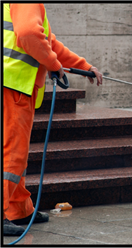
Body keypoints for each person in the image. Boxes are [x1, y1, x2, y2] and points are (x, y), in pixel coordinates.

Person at [3, 3, 103, 236]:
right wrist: (53, 64)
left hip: (12, 85)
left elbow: (48, 42)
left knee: (15, 154)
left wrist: (84, 66)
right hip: (12, 86)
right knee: (11, 154)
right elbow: (29, 34)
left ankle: (20, 209)